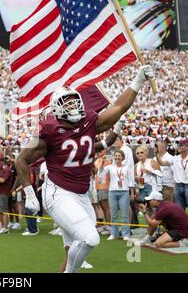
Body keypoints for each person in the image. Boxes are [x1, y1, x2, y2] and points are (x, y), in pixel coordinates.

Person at [15, 65, 154, 273]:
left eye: (74, 100)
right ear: (57, 108)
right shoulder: (50, 129)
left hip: (81, 194)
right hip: (58, 192)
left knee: (75, 247)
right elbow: (21, 160)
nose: (73, 105)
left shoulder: (88, 122)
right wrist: (29, 193)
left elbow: (118, 107)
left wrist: (138, 81)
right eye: (67, 102)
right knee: (90, 239)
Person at [155, 139, 188, 241]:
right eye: (179, 145)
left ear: (187, 147)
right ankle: (186, 232)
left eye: (181, 145)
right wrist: (157, 155)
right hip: (178, 186)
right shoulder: (175, 159)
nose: (179, 147)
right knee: (180, 212)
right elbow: (162, 163)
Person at [104, 150, 133, 241]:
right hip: (112, 192)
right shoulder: (110, 167)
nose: (117, 157)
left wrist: (132, 192)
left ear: (122, 157)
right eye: (116, 155)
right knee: (114, 215)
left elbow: (131, 181)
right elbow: (100, 173)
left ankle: (126, 234)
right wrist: (102, 163)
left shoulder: (127, 167)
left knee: (124, 215)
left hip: (124, 192)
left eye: (119, 156)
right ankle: (114, 233)